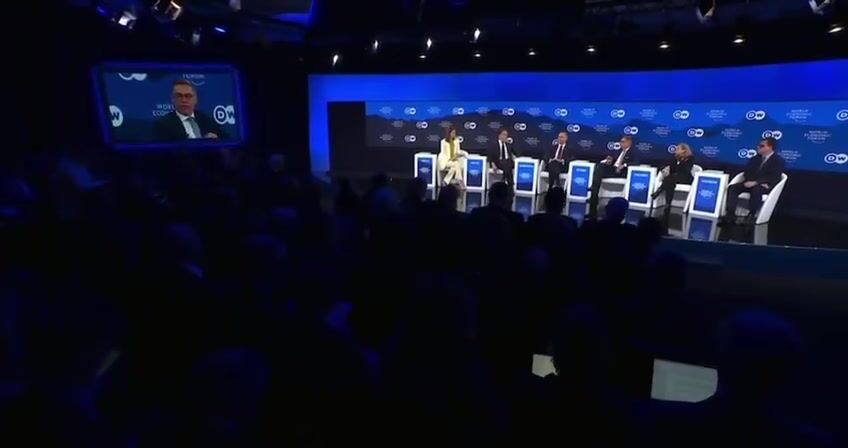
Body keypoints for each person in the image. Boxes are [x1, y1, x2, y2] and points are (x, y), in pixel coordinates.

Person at [721, 137, 785, 225]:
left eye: (762, 146)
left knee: (756, 190)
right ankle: (730, 214)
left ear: (770, 147)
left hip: (765, 186)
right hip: (750, 183)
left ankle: (751, 216)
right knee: (733, 188)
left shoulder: (778, 161)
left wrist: (757, 182)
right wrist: (749, 181)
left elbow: (774, 176)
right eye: (759, 145)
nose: (758, 147)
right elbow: (747, 172)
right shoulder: (754, 159)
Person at [153, 79, 225, 141]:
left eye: (188, 96)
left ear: (196, 99)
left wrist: (216, 142)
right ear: (172, 99)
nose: (184, 100)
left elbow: (226, 143)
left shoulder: (208, 121)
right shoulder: (163, 125)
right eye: (179, 96)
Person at [590, 135, 639, 203]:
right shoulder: (619, 151)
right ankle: (594, 193)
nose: (620, 143)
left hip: (621, 172)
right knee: (599, 166)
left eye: (623, 142)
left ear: (629, 142)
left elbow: (637, 162)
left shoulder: (633, 152)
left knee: (600, 170)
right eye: (620, 142)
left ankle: (594, 191)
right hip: (613, 169)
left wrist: (624, 165)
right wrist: (610, 160)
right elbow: (614, 160)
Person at [652, 143, 695, 208]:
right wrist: (664, 168)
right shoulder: (674, 157)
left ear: (684, 150)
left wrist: (680, 162)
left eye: (678, 149)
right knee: (670, 182)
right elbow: (667, 165)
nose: (676, 150)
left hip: (685, 178)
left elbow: (685, 170)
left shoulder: (690, 158)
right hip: (673, 178)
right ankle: (667, 204)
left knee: (670, 179)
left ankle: (659, 191)